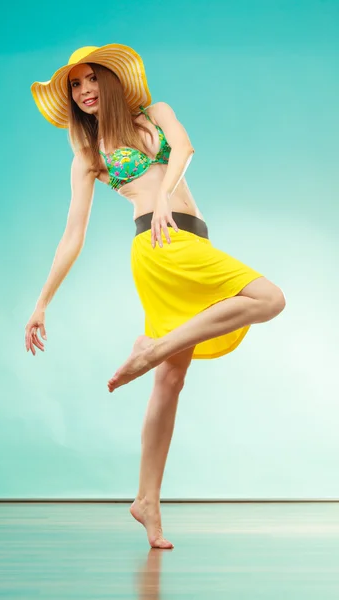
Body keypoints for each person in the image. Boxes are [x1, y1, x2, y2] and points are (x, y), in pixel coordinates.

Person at [26, 44, 286, 549]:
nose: (84, 92)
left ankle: (146, 500)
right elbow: (72, 235)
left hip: (193, 238)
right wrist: (41, 303)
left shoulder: (155, 114)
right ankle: (154, 348)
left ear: (112, 80)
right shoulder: (88, 155)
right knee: (269, 298)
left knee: (170, 382)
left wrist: (165, 193)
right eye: (74, 87)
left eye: (90, 80)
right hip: (157, 246)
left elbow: (184, 149)